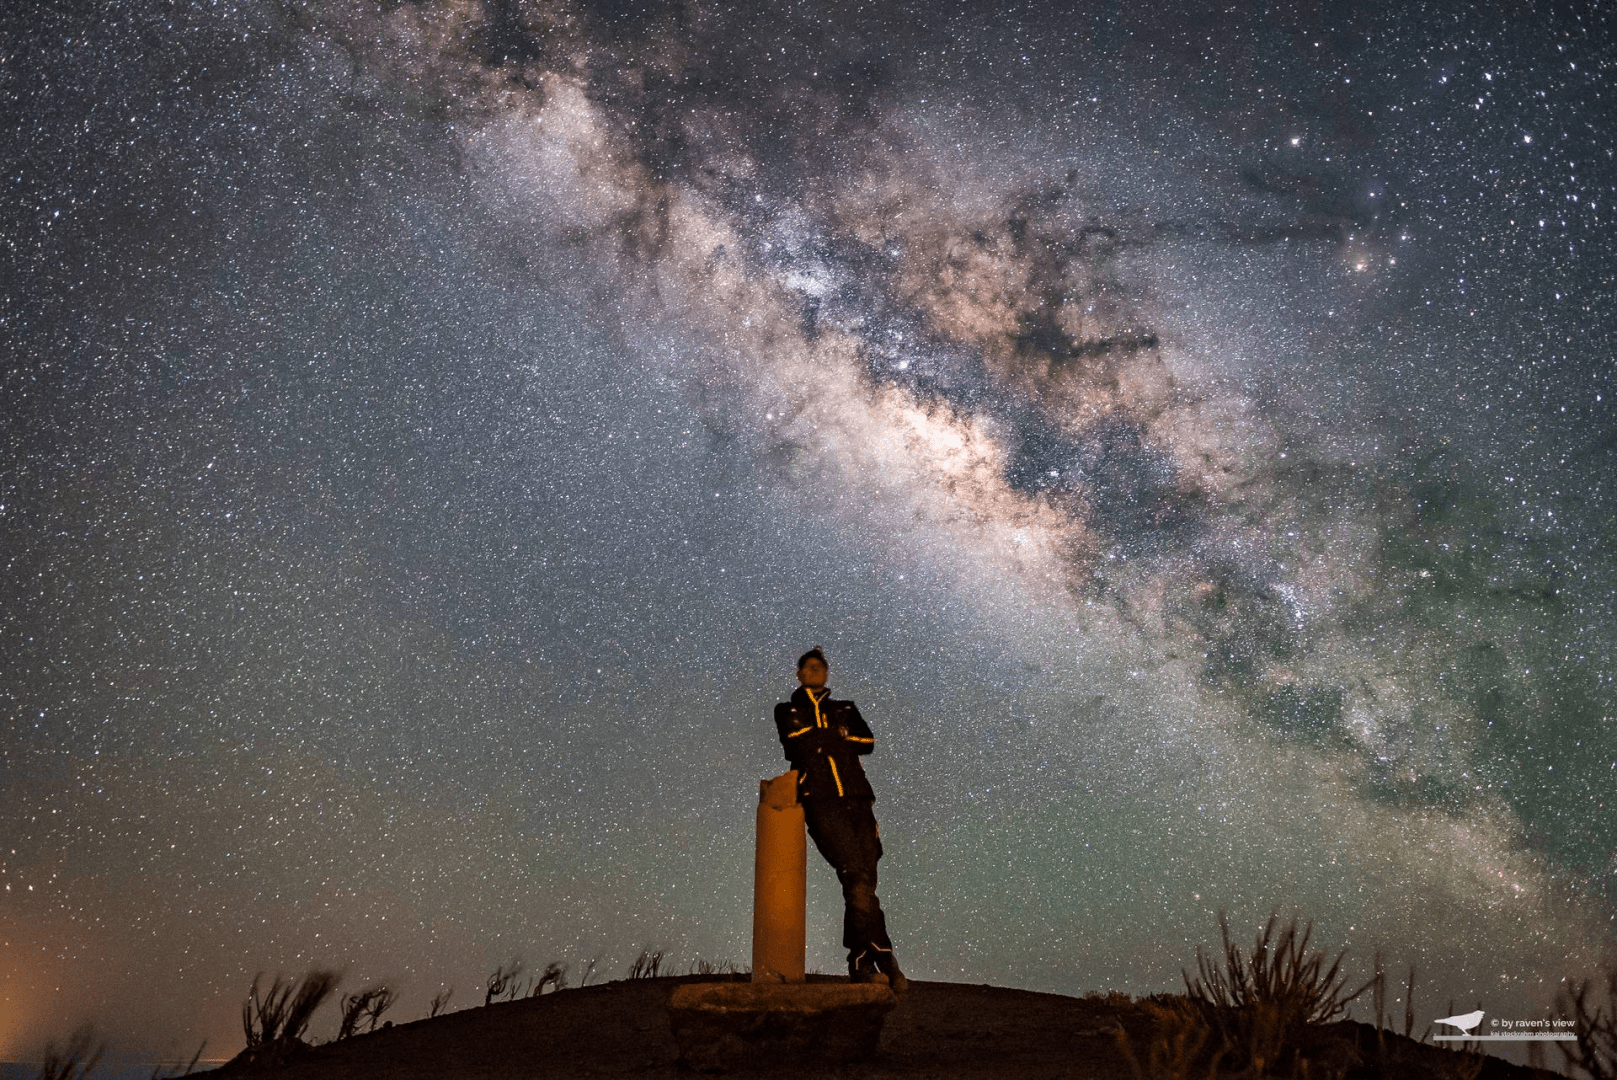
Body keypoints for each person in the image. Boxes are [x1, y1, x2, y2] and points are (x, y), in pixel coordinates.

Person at [772, 647, 909, 994]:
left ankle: (864, 959)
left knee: (864, 880)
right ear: (800, 674)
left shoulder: (844, 708)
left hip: (859, 801)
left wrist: (827, 737)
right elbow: (795, 744)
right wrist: (837, 736)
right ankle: (884, 958)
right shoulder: (787, 710)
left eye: (820, 667)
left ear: (826, 674)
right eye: (809, 667)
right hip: (821, 802)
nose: (815, 671)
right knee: (854, 873)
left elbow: (867, 741)